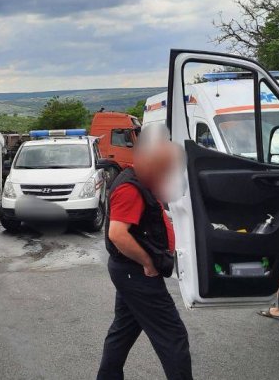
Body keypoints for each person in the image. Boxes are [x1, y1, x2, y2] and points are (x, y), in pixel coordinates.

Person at [97, 141, 192, 380]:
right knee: (173, 335)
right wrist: (148, 263)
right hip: (136, 272)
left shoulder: (141, 180)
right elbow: (117, 234)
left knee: (123, 331)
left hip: (129, 271)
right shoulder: (130, 188)